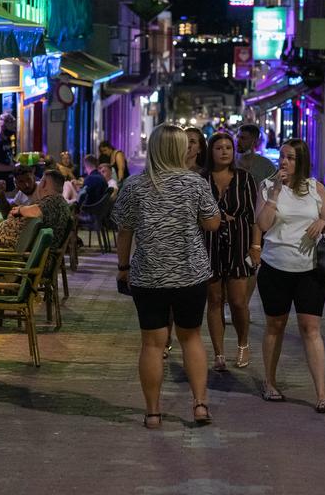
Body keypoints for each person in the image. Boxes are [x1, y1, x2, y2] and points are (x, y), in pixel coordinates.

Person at [115, 124, 221, 428]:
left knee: (152, 344)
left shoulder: (134, 186)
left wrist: (123, 268)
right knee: (191, 338)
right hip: (190, 274)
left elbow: (124, 230)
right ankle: (199, 405)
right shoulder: (195, 184)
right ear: (178, 150)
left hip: (149, 275)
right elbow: (213, 224)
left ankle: (152, 413)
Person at [251, 138, 325, 413]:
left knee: (311, 329)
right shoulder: (266, 187)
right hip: (276, 266)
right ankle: (270, 382)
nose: (284, 162)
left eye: (291, 158)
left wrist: (323, 222)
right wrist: (274, 194)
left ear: (301, 162)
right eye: (282, 157)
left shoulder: (316, 188)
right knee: (275, 326)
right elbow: (262, 225)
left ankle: (322, 393)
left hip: (310, 269)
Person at [202, 132, 257, 372]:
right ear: (210, 152)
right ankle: (219, 353)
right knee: (214, 300)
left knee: (237, 301)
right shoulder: (201, 180)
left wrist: (256, 246)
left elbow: (254, 216)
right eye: (218, 148)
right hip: (209, 245)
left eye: (228, 147)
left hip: (239, 244)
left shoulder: (245, 178)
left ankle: (243, 343)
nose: (224, 151)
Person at [0, 170, 72, 250]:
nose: (26, 184)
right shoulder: (58, 201)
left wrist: (19, 210)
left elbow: (36, 211)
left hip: (21, 256)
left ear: (43, 183)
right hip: (21, 251)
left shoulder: (53, 201)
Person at [0, 113, 18, 191]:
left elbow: (7, 158)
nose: (13, 129)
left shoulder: (7, 140)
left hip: (9, 185)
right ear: (3, 124)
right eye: (11, 126)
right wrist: (13, 168)